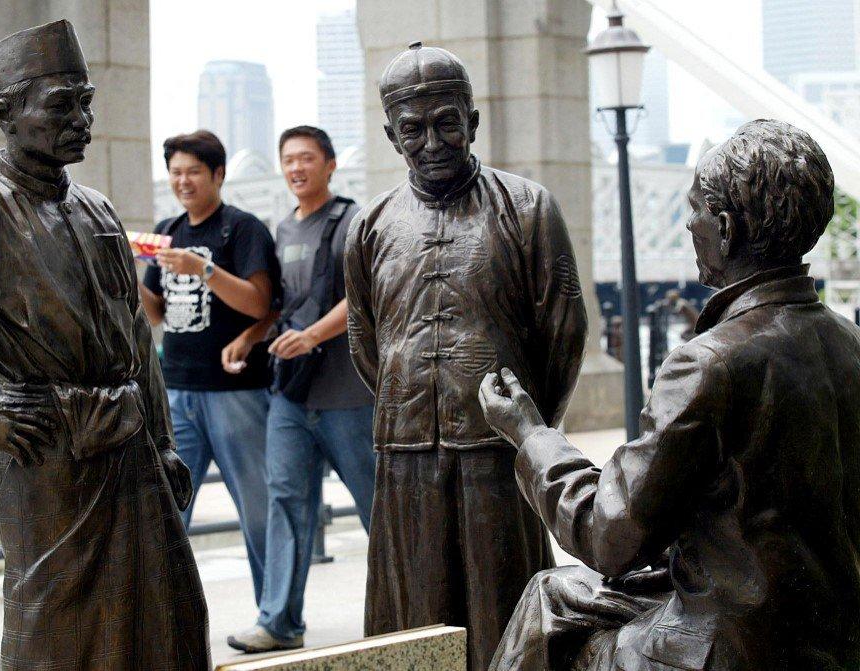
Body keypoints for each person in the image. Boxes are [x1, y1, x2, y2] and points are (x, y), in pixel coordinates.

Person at [0, 20, 210, 669]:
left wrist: (163, 442)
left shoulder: (98, 210)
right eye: (61, 104)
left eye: (85, 100)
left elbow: (135, 337)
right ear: (6, 112)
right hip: (47, 455)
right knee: (54, 626)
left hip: (131, 449)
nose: (81, 118)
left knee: (165, 615)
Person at [480, 119, 860, 670]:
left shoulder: (708, 363)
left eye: (695, 210)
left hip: (740, 648)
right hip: (834, 638)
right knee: (561, 594)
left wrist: (531, 435)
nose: (688, 225)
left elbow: (610, 537)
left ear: (725, 227)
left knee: (549, 609)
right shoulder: (850, 342)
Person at [344, 43, 588, 671]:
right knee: (414, 610)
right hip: (404, 448)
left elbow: (562, 330)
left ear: (473, 122)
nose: (432, 141)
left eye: (447, 122)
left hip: (497, 449)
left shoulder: (528, 208)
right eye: (413, 128)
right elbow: (365, 338)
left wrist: (525, 424)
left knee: (501, 599)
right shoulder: (370, 223)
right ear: (392, 136)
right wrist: (412, 397)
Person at [227, 126, 376, 653]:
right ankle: (279, 621)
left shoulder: (353, 222)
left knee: (376, 506)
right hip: (290, 396)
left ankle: (405, 606)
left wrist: (311, 336)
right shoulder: (282, 229)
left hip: (349, 395)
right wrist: (249, 338)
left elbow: (365, 296)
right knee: (286, 501)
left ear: (330, 165)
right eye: (288, 159)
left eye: (307, 159)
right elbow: (279, 309)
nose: (296, 168)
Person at [139, 129, 279, 606]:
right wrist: (128, 276)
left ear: (218, 175)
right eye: (176, 172)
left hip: (236, 392)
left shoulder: (241, 229)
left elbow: (262, 303)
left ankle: (275, 617)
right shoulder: (167, 229)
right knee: (169, 509)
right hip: (176, 391)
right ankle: (163, 620)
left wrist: (204, 270)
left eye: (193, 171)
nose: (183, 181)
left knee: (258, 508)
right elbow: (157, 314)